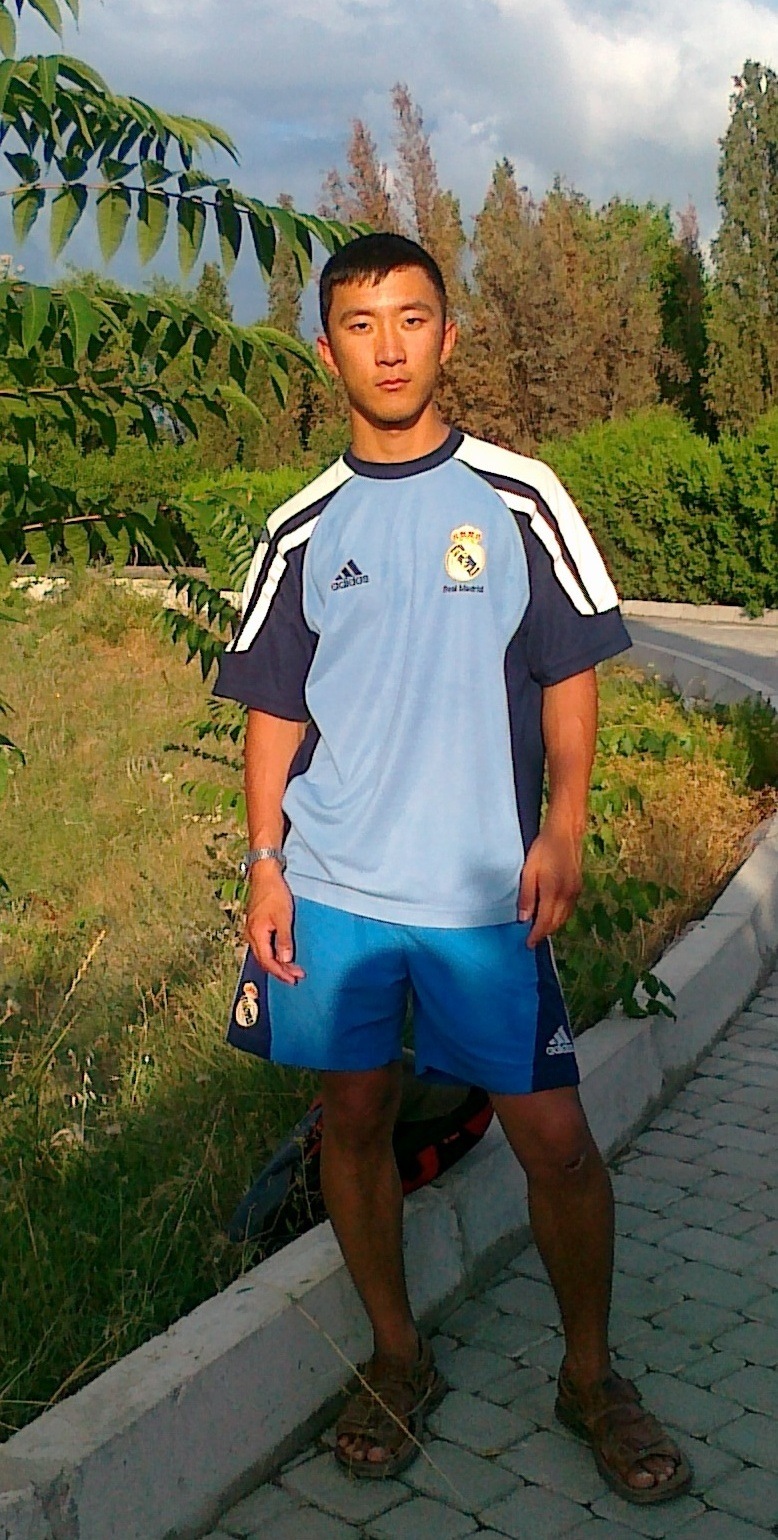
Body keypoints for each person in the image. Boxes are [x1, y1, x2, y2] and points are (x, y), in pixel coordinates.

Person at [213, 232, 691, 1503]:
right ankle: (395, 1354)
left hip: (482, 892)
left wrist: (564, 824)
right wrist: (264, 864)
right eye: (360, 324)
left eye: (411, 318)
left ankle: (588, 1376)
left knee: (557, 1140)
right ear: (327, 352)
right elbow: (272, 710)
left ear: (448, 335)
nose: (388, 347)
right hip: (335, 889)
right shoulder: (300, 526)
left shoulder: (520, 497)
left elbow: (568, 673)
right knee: (353, 1120)